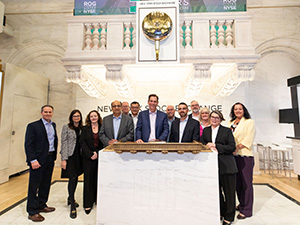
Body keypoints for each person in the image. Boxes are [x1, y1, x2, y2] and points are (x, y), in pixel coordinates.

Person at [200, 110, 237, 225]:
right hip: (212, 166)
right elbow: (201, 144)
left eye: (217, 117)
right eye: (212, 117)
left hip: (227, 166)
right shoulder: (206, 131)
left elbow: (232, 147)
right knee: (217, 192)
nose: (214, 119)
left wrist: (216, 146)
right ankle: (222, 211)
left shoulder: (226, 131)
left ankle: (229, 217)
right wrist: (206, 146)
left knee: (229, 193)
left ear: (221, 119)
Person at [24, 105, 58, 222]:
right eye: (46, 112)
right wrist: (32, 160)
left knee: (45, 184)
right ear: (41, 112)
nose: (48, 114)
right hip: (37, 160)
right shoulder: (33, 126)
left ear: (52, 113)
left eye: (50, 112)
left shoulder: (53, 125)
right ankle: (32, 211)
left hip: (49, 158)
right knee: (34, 186)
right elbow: (28, 145)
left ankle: (42, 205)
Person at [229, 102, 256, 220]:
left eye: (240, 109)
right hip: (233, 157)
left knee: (246, 184)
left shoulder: (249, 122)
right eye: (236, 109)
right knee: (237, 184)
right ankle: (241, 204)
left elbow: (248, 138)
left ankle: (247, 210)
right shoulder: (230, 123)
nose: (238, 111)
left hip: (245, 156)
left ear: (244, 110)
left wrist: (236, 148)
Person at [60, 109, 83, 219]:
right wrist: (63, 159)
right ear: (71, 117)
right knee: (72, 178)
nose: (76, 118)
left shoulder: (82, 128)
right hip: (71, 157)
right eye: (74, 116)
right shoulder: (66, 127)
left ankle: (70, 198)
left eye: (78, 116)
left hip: (80, 157)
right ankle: (72, 204)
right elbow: (63, 143)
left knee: (76, 178)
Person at [80, 110, 103, 215]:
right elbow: (82, 143)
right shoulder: (84, 129)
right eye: (91, 116)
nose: (93, 118)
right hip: (88, 158)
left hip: (100, 157)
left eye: (95, 116)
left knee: (98, 179)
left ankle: (96, 200)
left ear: (98, 117)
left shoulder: (103, 127)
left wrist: (98, 153)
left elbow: (103, 142)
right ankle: (87, 204)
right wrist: (90, 154)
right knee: (88, 180)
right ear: (89, 118)